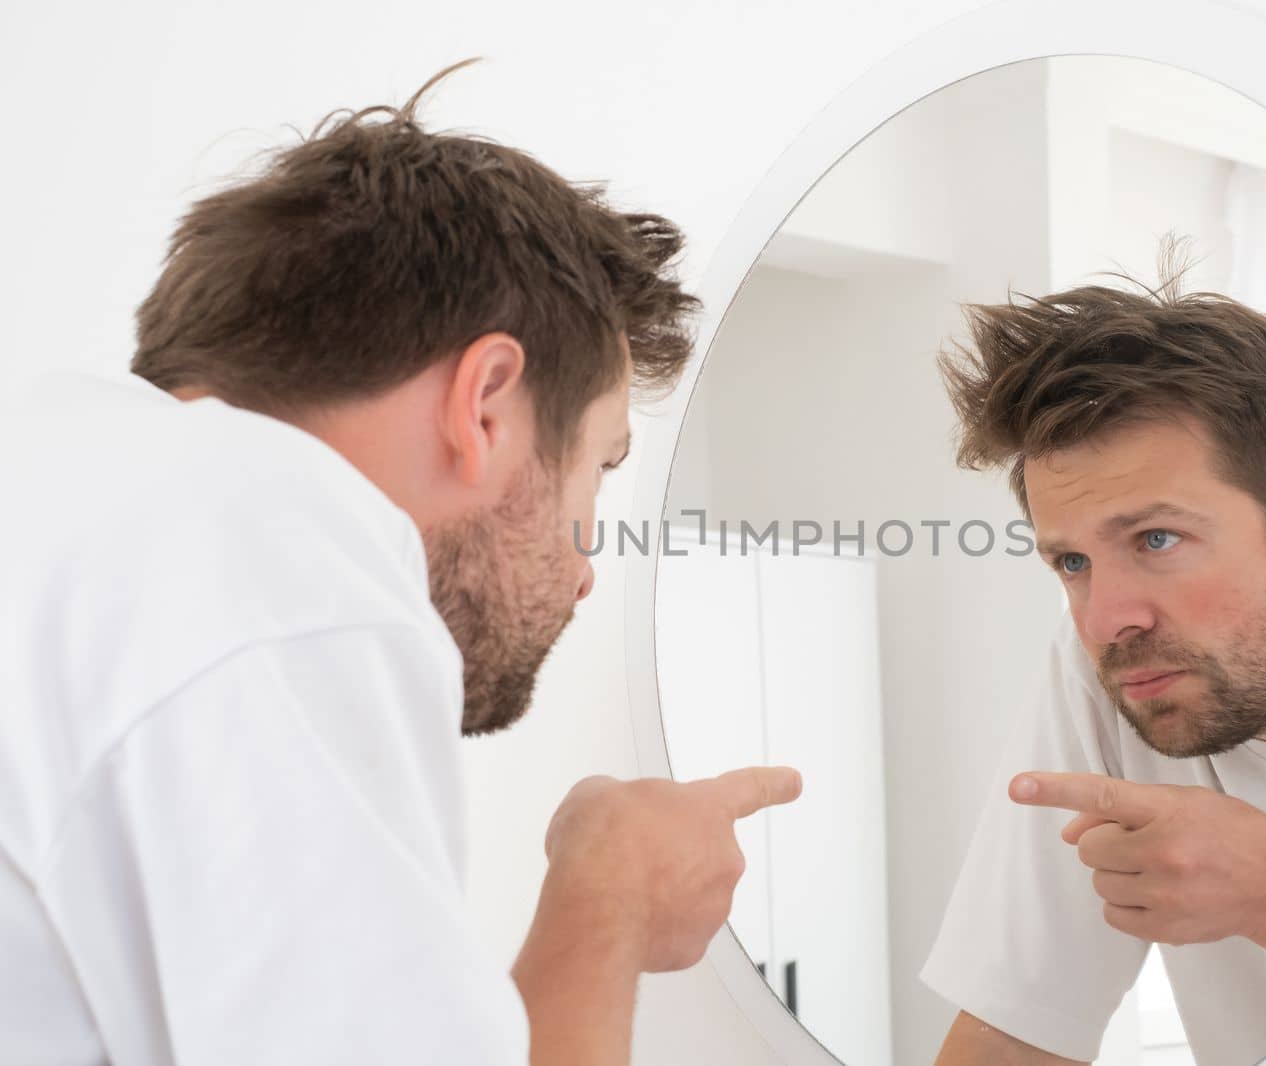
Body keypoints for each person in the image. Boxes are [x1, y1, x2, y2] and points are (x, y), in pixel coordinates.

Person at [0, 61, 799, 1065]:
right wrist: (612, 895)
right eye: (595, 469)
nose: (587, 569)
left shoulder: (64, 484)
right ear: (486, 405)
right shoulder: (278, 562)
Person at [920, 274, 1266, 1065]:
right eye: (1072, 560)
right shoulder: (1115, 668)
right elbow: (1016, 1032)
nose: (1108, 618)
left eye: (1155, 540)